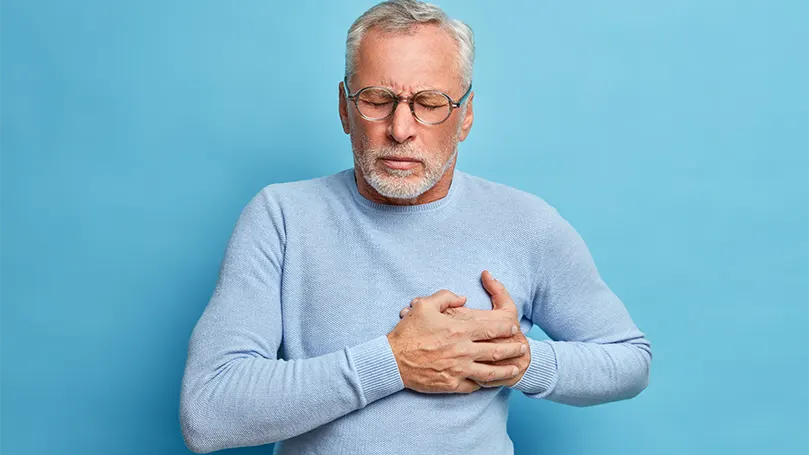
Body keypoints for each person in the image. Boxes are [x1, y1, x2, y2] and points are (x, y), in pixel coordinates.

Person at [179, 1, 652, 453]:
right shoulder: (281, 217)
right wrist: (393, 362)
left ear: (465, 115)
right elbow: (208, 412)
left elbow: (630, 360)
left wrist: (516, 359)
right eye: (377, 100)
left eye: (429, 102)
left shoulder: (528, 224)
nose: (401, 128)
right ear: (344, 108)